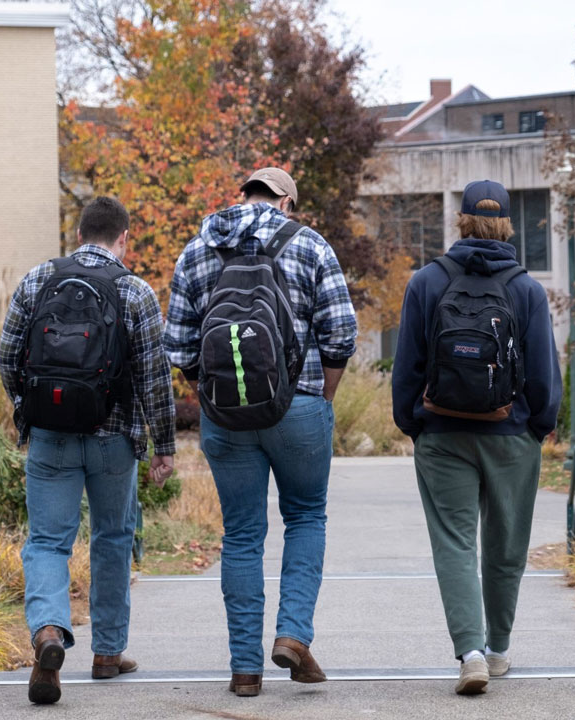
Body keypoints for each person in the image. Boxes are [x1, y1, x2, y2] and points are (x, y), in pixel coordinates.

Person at [165, 167, 357, 697]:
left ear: (242, 196)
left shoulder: (197, 251)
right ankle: (292, 636)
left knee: (242, 536)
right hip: (299, 407)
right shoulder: (311, 245)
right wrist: (321, 399)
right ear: (287, 201)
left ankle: (245, 669)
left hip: (225, 417)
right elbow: (341, 332)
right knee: (305, 517)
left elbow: (178, 346)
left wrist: (215, 393)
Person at [0, 196, 176, 705]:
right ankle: (107, 653)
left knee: (48, 543)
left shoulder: (38, 279)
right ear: (124, 239)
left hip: (50, 436)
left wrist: (28, 408)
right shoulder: (135, 291)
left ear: (78, 234)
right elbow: (154, 378)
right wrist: (163, 445)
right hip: (113, 437)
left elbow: (9, 355)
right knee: (114, 538)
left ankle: (49, 633)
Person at [391, 180, 562, 696]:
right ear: (507, 224)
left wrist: (414, 423)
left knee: (454, 544)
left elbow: (407, 367)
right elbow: (543, 376)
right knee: (505, 545)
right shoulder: (526, 289)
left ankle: (469, 652)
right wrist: (537, 427)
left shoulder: (426, 282)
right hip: (511, 434)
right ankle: (499, 649)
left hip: (441, 433)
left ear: (461, 220)